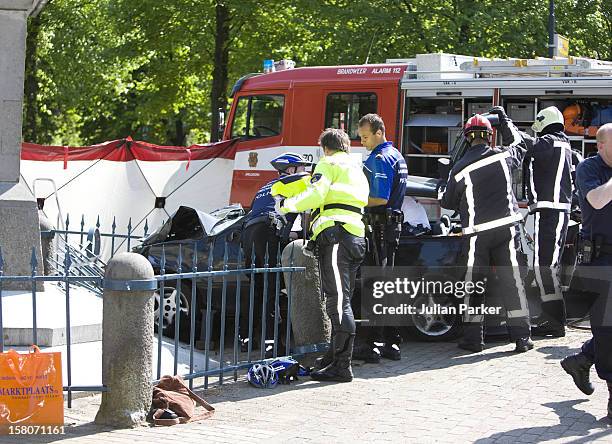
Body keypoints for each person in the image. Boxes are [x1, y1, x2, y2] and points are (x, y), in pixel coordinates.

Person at [276, 128, 369, 382]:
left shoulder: (327, 163)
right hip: (355, 236)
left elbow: (317, 194)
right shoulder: (356, 167)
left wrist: (287, 205)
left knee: (338, 304)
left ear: (325, 148)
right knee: (343, 300)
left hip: (336, 237)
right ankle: (331, 358)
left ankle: (341, 366)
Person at [441, 111, 533, 353]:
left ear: (469, 138)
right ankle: (522, 338)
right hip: (506, 229)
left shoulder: (459, 168)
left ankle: (473, 341)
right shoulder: (503, 156)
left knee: (473, 286)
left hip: (476, 235)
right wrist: (505, 121)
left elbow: (447, 203)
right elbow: (520, 144)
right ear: (489, 136)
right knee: (512, 283)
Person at [560, 123, 612, 419]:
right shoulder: (588, 170)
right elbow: (597, 200)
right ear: (601, 145)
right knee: (607, 329)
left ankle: (582, 359)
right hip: (600, 261)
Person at [517, 106, 583, 337]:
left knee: (545, 267)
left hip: (552, 213)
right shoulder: (560, 145)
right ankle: (551, 317)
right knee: (544, 266)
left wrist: (506, 123)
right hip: (550, 212)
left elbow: (528, 144)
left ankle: (555, 322)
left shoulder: (552, 143)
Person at [240, 153, 311, 351]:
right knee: (273, 288)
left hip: (249, 235)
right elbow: (307, 214)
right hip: (269, 231)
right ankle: (271, 341)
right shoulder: (298, 182)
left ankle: (246, 338)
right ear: (290, 170)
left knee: (257, 288)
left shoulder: (265, 186)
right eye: (301, 167)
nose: (304, 171)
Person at [355, 113, 408, 362]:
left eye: (365, 137)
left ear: (379, 132)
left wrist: (352, 200)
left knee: (375, 286)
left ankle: (372, 344)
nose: (363, 142)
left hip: (379, 228)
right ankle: (392, 342)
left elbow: (379, 198)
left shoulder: (380, 158)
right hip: (392, 228)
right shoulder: (397, 155)